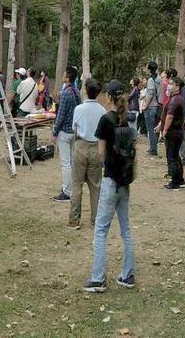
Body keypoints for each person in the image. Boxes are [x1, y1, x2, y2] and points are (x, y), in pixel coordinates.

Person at [84, 79, 137, 292]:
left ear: (109, 97)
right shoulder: (129, 120)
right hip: (125, 182)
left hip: (110, 181)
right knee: (125, 229)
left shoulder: (106, 120)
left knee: (100, 230)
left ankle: (98, 278)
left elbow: (100, 152)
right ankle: (128, 275)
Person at [69, 78, 107, 229]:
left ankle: (74, 220)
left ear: (85, 90)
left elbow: (74, 128)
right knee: (95, 185)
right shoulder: (102, 111)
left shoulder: (79, 109)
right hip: (96, 148)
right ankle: (96, 219)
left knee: (77, 184)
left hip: (80, 145)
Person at [51, 66, 80, 202]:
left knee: (65, 163)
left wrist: (54, 132)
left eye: (64, 74)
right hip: (74, 131)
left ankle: (67, 192)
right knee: (71, 161)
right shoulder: (76, 92)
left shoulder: (65, 93)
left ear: (67, 78)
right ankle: (72, 188)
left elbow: (60, 115)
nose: (62, 75)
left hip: (64, 132)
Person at [161, 76, 185, 190]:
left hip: (173, 132)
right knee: (176, 156)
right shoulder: (176, 98)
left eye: (171, 84)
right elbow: (166, 114)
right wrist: (159, 125)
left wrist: (165, 130)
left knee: (172, 157)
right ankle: (180, 180)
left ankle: (175, 181)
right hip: (177, 131)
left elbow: (170, 116)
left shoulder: (175, 99)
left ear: (177, 86)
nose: (169, 85)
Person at [141, 62, 160, 155]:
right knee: (155, 129)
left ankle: (153, 149)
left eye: (146, 67)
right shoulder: (159, 78)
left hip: (151, 107)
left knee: (151, 129)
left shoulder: (151, 80)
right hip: (158, 106)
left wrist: (145, 106)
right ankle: (153, 147)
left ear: (149, 69)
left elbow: (151, 94)